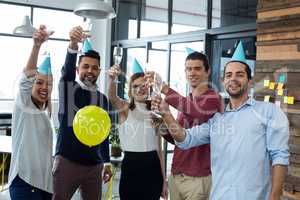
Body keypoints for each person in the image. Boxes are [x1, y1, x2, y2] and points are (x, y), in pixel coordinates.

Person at [152, 41, 289, 200]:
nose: (233, 79)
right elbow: (185, 139)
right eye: (229, 75)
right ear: (223, 82)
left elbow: (280, 155)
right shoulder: (217, 120)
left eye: (240, 74)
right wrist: (165, 117)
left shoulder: (268, 111)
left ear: (250, 81)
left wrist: (275, 195)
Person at [147, 51, 222, 200]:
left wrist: (164, 88)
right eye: (188, 69)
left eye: (197, 68)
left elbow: (197, 111)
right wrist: (160, 125)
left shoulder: (213, 98)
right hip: (176, 175)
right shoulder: (185, 102)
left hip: (198, 178)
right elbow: (179, 139)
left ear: (208, 72)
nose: (192, 73)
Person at [52, 26, 112, 200]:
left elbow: (104, 133)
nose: (90, 71)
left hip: (94, 166)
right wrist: (72, 45)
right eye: (85, 66)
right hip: (67, 162)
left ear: (99, 71)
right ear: (78, 70)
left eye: (94, 68)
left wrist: (106, 161)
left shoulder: (102, 99)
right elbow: (66, 73)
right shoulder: (69, 89)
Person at [8, 25, 54, 200]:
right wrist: (37, 46)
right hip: (25, 183)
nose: (44, 87)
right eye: (39, 82)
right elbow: (26, 80)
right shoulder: (24, 106)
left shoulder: (43, 114)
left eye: (48, 84)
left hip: (44, 185)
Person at [108, 67, 167, 200]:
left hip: (153, 167)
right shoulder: (125, 109)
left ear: (149, 88)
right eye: (135, 86)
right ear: (130, 90)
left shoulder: (156, 114)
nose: (140, 89)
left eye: (144, 85)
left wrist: (164, 181)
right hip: (131, 165)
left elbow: (159, 150)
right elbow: (112, 97)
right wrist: (112, 80)